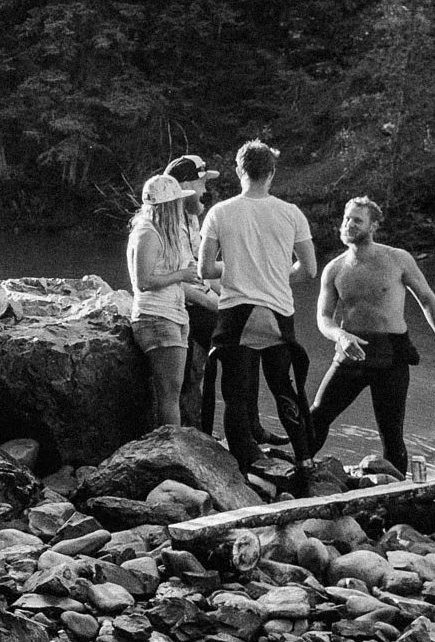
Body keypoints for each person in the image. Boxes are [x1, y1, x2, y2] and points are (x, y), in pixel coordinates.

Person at [303, 196, 435, 474]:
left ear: (373, 226)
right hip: (351, 350)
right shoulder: (334, 268)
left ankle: (396, 488)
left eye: (357, 221)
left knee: (391, 432)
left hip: (391, 355)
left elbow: (427, 299)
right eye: (346, 219)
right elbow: (323, 318)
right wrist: (339, 335)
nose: (348, 225)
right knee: (318, 414)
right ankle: (298, 469)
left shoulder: (398, 259)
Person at [197, 139, 319, 474]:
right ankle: (305, 457)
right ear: (272, 173)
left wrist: (238, 269)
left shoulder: (219, 212)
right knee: (283, 386)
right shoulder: (291, 213)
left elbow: (204, 270)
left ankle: (242, 463)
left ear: (239, 170)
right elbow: (308, 269)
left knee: (236, 394)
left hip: (237, 311)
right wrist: (274, 275)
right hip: (278, 310)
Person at [125, 172, 211, 430]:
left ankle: (172, 445)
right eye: (177, 201)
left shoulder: (164, 231)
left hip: (172, 315)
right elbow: (143, 281)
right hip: (156, 317)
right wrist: (181, 275)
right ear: (167, 205)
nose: (181, 206)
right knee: (169, 394)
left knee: (173, 392)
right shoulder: (147, 233)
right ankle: (172, 447)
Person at [166, 154, 222, 431]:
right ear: (185, 185)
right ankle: (195, 432)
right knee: (228, 340)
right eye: (201, 183)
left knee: (241, 341)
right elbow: (178, 281)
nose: (205, 191)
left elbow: (201, 272)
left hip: (197, 302)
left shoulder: (192, 220)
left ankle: (210, 430)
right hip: (178, 307)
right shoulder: (166, 224)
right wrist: (217, 304)